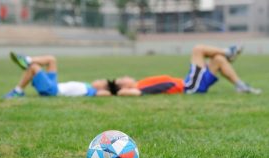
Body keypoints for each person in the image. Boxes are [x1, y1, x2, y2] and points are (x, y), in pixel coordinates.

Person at [111, 45, 262, 96]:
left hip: (189, 83)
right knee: (198, 49)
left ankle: (240, 86)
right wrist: (115, 90)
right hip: (189, 86)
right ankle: (229, 52)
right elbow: (124, 93)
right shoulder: (138, 88)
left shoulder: (139, 83)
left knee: (218, 60)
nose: (125, 76)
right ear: (124, 86)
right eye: (122, 79)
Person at [4, 52, 113, 98]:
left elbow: (115, 92)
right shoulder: (88, 85)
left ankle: (17, 92)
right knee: (51, 59)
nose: (98, 80)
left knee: (34, 67)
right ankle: (27, 60)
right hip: (54, 85)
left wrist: (115, 88)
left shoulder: (94, 92)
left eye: (101, 81)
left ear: (103, 88)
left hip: (52, 91)